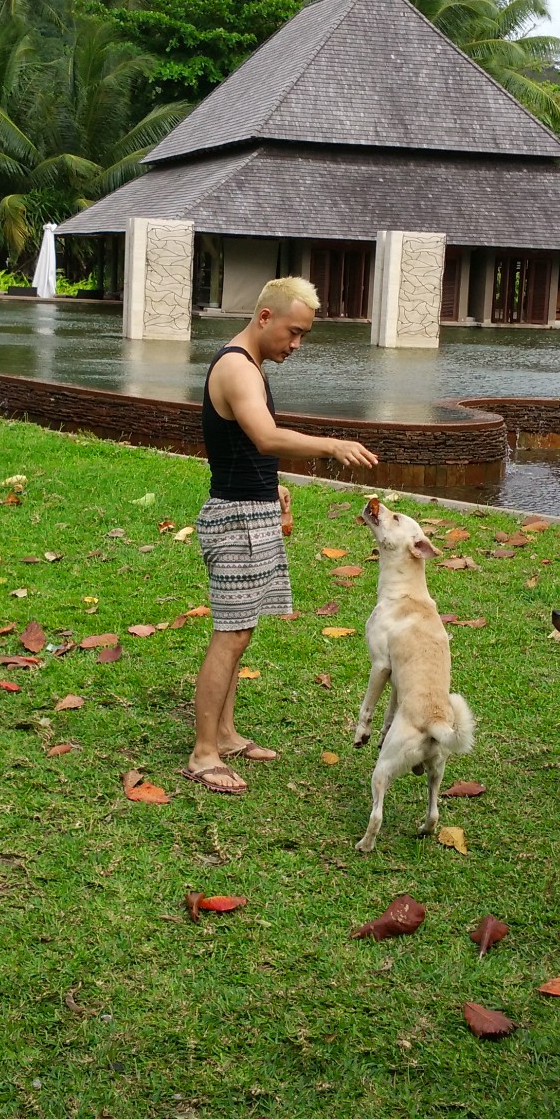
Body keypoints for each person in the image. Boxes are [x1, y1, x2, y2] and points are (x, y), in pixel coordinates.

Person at [185, 276, 380, 794]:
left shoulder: (250, 367)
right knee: (229, 634)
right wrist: (332, 444)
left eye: (304, 336)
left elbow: (247, 448)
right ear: (265, 317)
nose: (296, 345)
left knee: (241, 629)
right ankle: (204, 753)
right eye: (293, 332)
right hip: (233, 520)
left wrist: (272, 486)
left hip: (251, 508)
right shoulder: (236, 367)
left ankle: (224, 735)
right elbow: (267, 436)